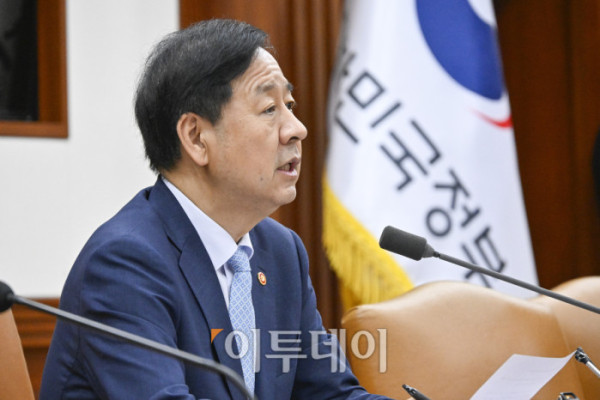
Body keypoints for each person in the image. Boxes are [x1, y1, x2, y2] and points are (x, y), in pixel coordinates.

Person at [40, 19, 394, 399]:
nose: (296, 129)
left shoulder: (281, 253)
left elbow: (332, 394)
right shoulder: (125, 264)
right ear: (196, 137)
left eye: (289, 105)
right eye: (269, 109)